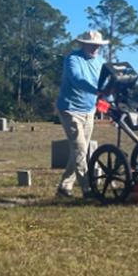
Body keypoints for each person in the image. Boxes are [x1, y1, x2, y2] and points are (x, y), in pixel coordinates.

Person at [55, 30, 110, 198]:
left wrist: (109, 103)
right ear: (83, 44)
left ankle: (64, 187)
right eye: (92, 45)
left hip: (89, 110)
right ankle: (88, 189)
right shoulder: (72, 59)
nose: (95, 49)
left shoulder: (101, 62)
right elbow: (77, 79)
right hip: (70, 109)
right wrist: (98, 91)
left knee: (80, 149)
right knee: (80, 149)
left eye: (98, 46)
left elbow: (106, 85)